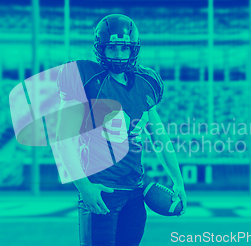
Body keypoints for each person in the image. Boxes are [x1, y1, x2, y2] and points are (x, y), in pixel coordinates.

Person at [55, 14, 187, 246]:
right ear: (100, 49)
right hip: (102, 190)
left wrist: (178, 180)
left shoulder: (146, 83)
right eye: (112, 48)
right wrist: (83, 186)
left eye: (124, 48)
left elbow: (160, 138)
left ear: (133, 49)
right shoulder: (85, 78)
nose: (118, 55)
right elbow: (62, 139)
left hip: (135, 192)